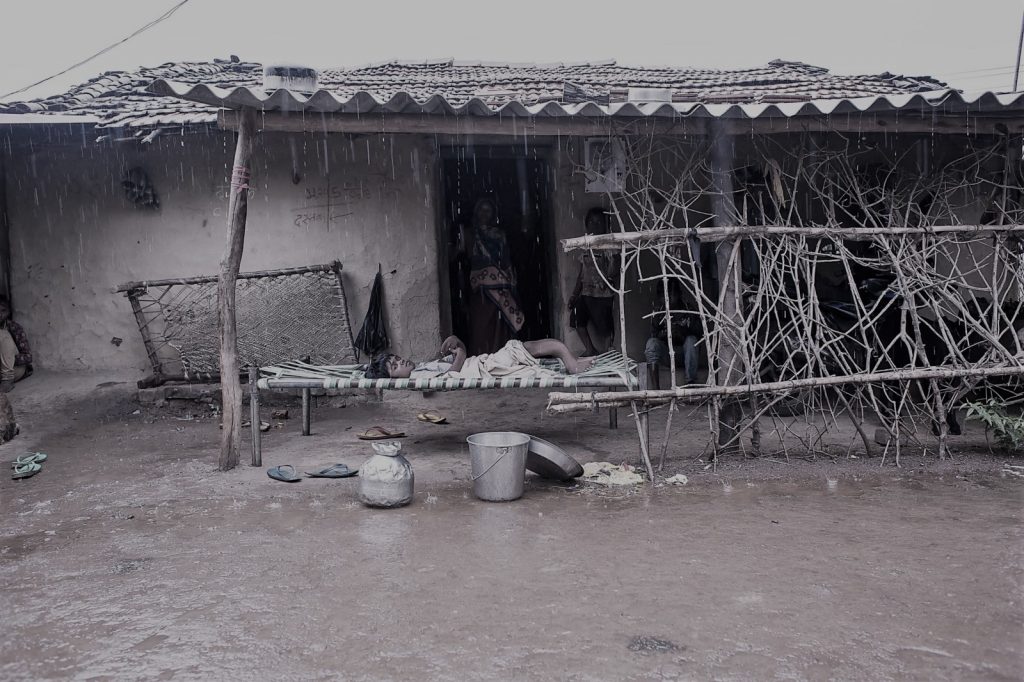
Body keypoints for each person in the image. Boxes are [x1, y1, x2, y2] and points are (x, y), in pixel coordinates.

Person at [367, 335, 593, 381]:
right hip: (486, 367)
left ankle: (571, 361)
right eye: (395, 367)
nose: (401, 362)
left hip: (484, 362)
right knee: (530, 346)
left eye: (397, 358)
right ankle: (572, 365)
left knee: (533, 348)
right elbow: (451, 377)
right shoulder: (417, 378)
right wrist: (462, 354)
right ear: (394, 378)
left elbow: (455, 361)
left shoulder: (423, 366)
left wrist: (457, 342)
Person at [464, 197, 524, 355]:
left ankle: (501, 357)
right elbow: (466, 256)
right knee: (481, 327)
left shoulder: (499, 234)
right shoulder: (469, 233)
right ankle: (481, 358)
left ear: (493, 214)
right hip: (480, 289)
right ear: (476, 212)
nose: (484, 213)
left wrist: (510, 280)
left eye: (488, 210)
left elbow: (505, 260)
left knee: (500, 326)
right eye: (481, 210)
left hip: (501, 286)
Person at [568, 208, 619, 356]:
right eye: (591, 222)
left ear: (605, 225)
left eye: (598, 222)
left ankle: (609, 353)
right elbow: (581, 273)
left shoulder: (608, 245)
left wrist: (614, 261)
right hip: (586, 293)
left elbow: (614, 270)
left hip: (602, 295)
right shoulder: (585, 246)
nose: (594, 225)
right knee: (576, 319)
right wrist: (573, 295)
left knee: (604, 328)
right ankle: (590, 349)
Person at [645, 281, 702, 388]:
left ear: (679, 294)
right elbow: (654, 336)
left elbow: (699, 336)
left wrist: (682, 331)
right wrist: (665, 334)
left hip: (685, 356)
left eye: (671, 295)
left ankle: (691, 385)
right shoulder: (658, 311)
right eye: (663, 296)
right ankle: (656, 389)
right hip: (667, 356)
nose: (668, 299)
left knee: (691, 340)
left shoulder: (688, 310)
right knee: (651, 343)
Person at [0, 296, 32, 392]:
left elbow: (28, 357)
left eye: (3, 310)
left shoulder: (14, 328)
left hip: (14, 370)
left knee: (2, 334)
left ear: (8, 312)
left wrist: (6, 358)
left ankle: (7, 380)